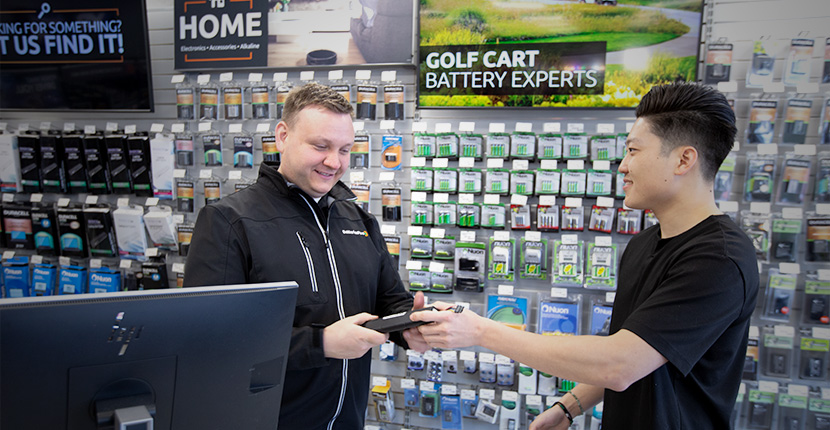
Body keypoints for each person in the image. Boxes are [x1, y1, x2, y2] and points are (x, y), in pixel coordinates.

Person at [411, 82, 759, 429]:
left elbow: (620, 364)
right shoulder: (642, 245)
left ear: (684, 159)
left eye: (634, 151)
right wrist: (569, 406)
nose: (622, 166)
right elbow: (639, 348)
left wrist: (481, 331)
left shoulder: (719, 260)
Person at [183, 82, 428, 429]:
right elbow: (211, 340)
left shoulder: (358, 219)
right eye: (321, 146)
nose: (334, 162)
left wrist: (410, 326)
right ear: (283, 136)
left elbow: (390, 301)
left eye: (345, 149)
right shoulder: (230, 221)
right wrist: (322, 343)